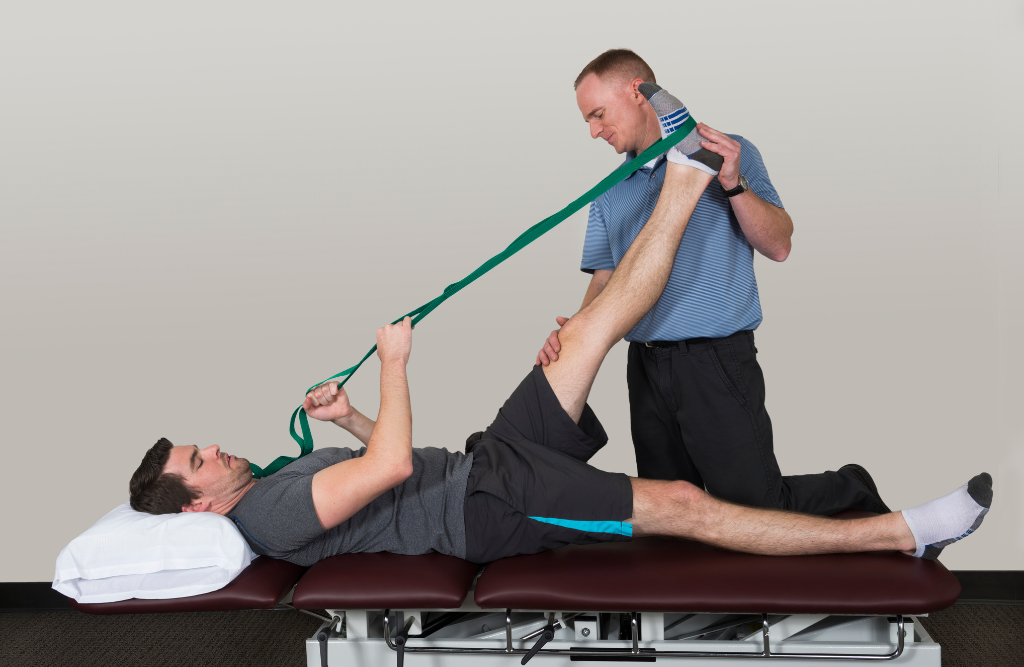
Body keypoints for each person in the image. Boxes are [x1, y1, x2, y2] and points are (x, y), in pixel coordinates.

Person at [128, 120, 991, 566]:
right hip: (489, 510)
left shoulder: (275, 481)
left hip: (485, 459)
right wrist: (392, 365)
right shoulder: (267, 511)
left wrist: (352, 414)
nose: (214, 447)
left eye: (199, 445)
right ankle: (900, 533)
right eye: (197, 459)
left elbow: (377, 464)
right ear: (198, 503)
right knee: (684, 502)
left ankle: (686, 179)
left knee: (591, 327)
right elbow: (393, 472)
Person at [534, 49, 887, 517]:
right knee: (672, 511)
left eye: (598, 114)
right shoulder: (609, 192)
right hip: (645, 368)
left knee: (755, 506)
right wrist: (570, 336)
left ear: (637, 91)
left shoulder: (728, 152)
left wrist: (733, 182)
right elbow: (605, 280)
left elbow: (779, 245)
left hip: (716, 361)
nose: (594, 131)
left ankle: (851, 486)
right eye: (587, 121)